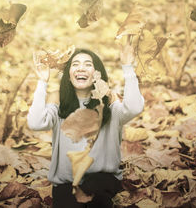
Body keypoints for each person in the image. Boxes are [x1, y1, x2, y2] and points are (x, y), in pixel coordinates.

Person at [27, 42, 144, 208]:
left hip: (102, 180)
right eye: (75, 64)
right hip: (66, 183)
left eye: (88, 65)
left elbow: (134, 107)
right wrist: (42, 82)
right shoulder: (61, 105)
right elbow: (35, 122)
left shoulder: (108, 104)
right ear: (68, 75)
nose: (81, 68)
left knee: (97, 194)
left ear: (97, 74)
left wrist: (127, 67)